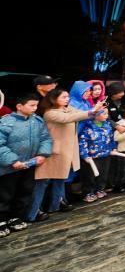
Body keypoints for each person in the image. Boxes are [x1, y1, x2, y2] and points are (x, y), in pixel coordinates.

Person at [28, 89, 103, 222]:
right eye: (63, 97)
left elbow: (81, 113)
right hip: (51, 151)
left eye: (67, 96)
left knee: (60, 178)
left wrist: (95, 110)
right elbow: (69, 118)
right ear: (53, 99)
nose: (67, 99)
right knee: (43, 181)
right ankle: (34, 211)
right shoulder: (50, 113)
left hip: (65, 150)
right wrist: (92, 110)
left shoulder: (67, 109)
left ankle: (57, 204)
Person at [0, 94, 52, 237]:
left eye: (36, 105)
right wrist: (13, 161)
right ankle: (1, 220)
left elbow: (46, 138)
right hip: (8, 168)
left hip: (29, 166)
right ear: (19, 106)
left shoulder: (37, 121)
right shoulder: (6, 122)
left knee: (24, 192)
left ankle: (15, 217)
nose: (35, 108)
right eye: (31, 105)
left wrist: (42, 154)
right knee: (5, 194)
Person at [78, 109, 115, 202]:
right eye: (104, 114)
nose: (107, 115)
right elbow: (82, 142)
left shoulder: (107, 125)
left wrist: (113, 148)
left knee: (103, 174)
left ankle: (99, 189)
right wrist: (85, 155)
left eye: (107, 113)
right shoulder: (88, 127)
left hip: (105, 154)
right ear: (96, 115)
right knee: (89, 176)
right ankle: (88, 193)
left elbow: (111, 138)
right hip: (92, 157)